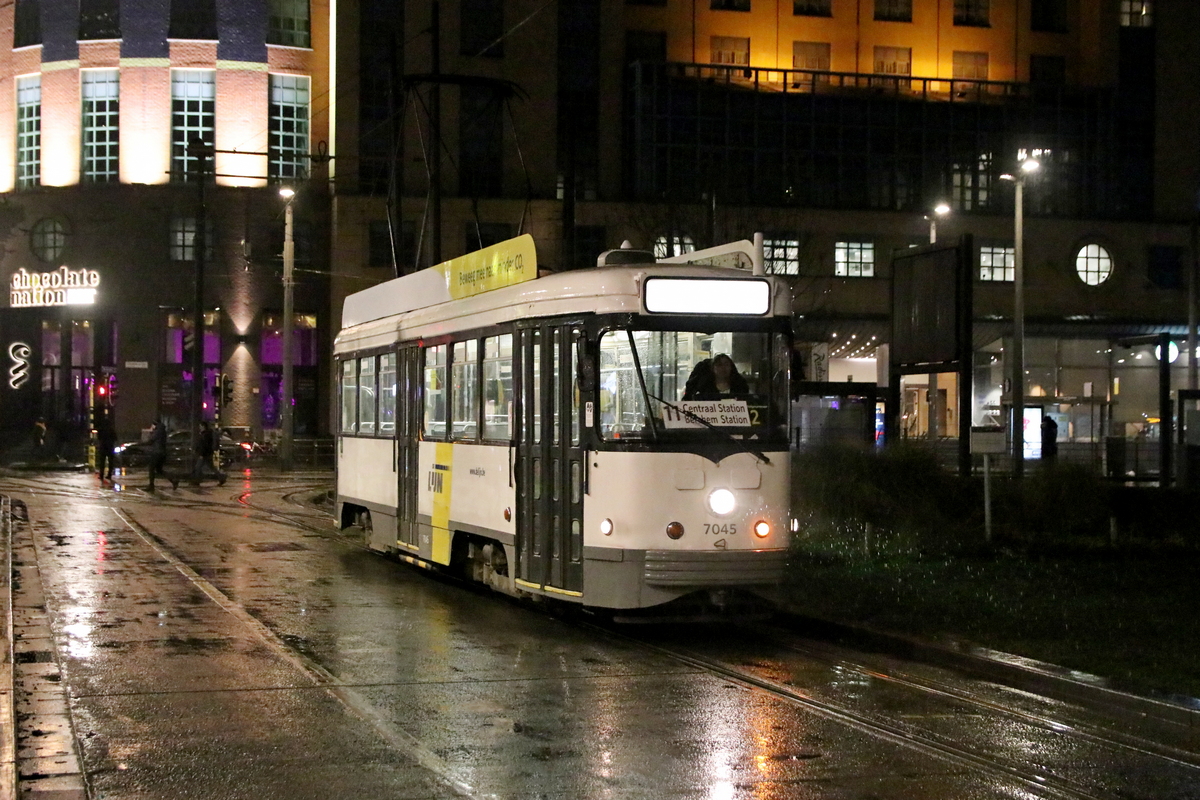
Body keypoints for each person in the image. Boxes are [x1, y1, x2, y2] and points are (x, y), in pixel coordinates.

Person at [683, 353, 749, 400]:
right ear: (713, 368)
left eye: (726, 364)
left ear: (731, 367)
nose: (723, 368)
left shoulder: (740, 386)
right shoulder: (704, 387)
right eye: (719, 365)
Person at [191, 421, 227, 485]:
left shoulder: (206, 434)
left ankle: (196, 481)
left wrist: (201, 453)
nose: (199, 427)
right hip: (208, 453)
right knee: (212, 467)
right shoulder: (206, 433)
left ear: (203, 426)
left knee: (198, 467)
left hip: (205, 454)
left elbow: (204, 445)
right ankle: (221, 478)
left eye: (200, 426)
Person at [146, 420, 178, 491]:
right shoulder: (163, 431)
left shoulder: (157, 431)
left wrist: (151, 431)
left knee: (151, 468)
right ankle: (173, 480)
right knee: (159, 470)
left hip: (156, 452)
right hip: (162, 452)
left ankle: (151, 486)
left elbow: (150, 440)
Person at [95, 405, 117, 481]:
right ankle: (109, 475)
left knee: (102, 462)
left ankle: (101, 475)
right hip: (110, 447)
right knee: (111, 462)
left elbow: (99, 438)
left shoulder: (101, 430)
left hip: (103, 447)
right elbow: (115, 438)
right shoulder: (111, 430)